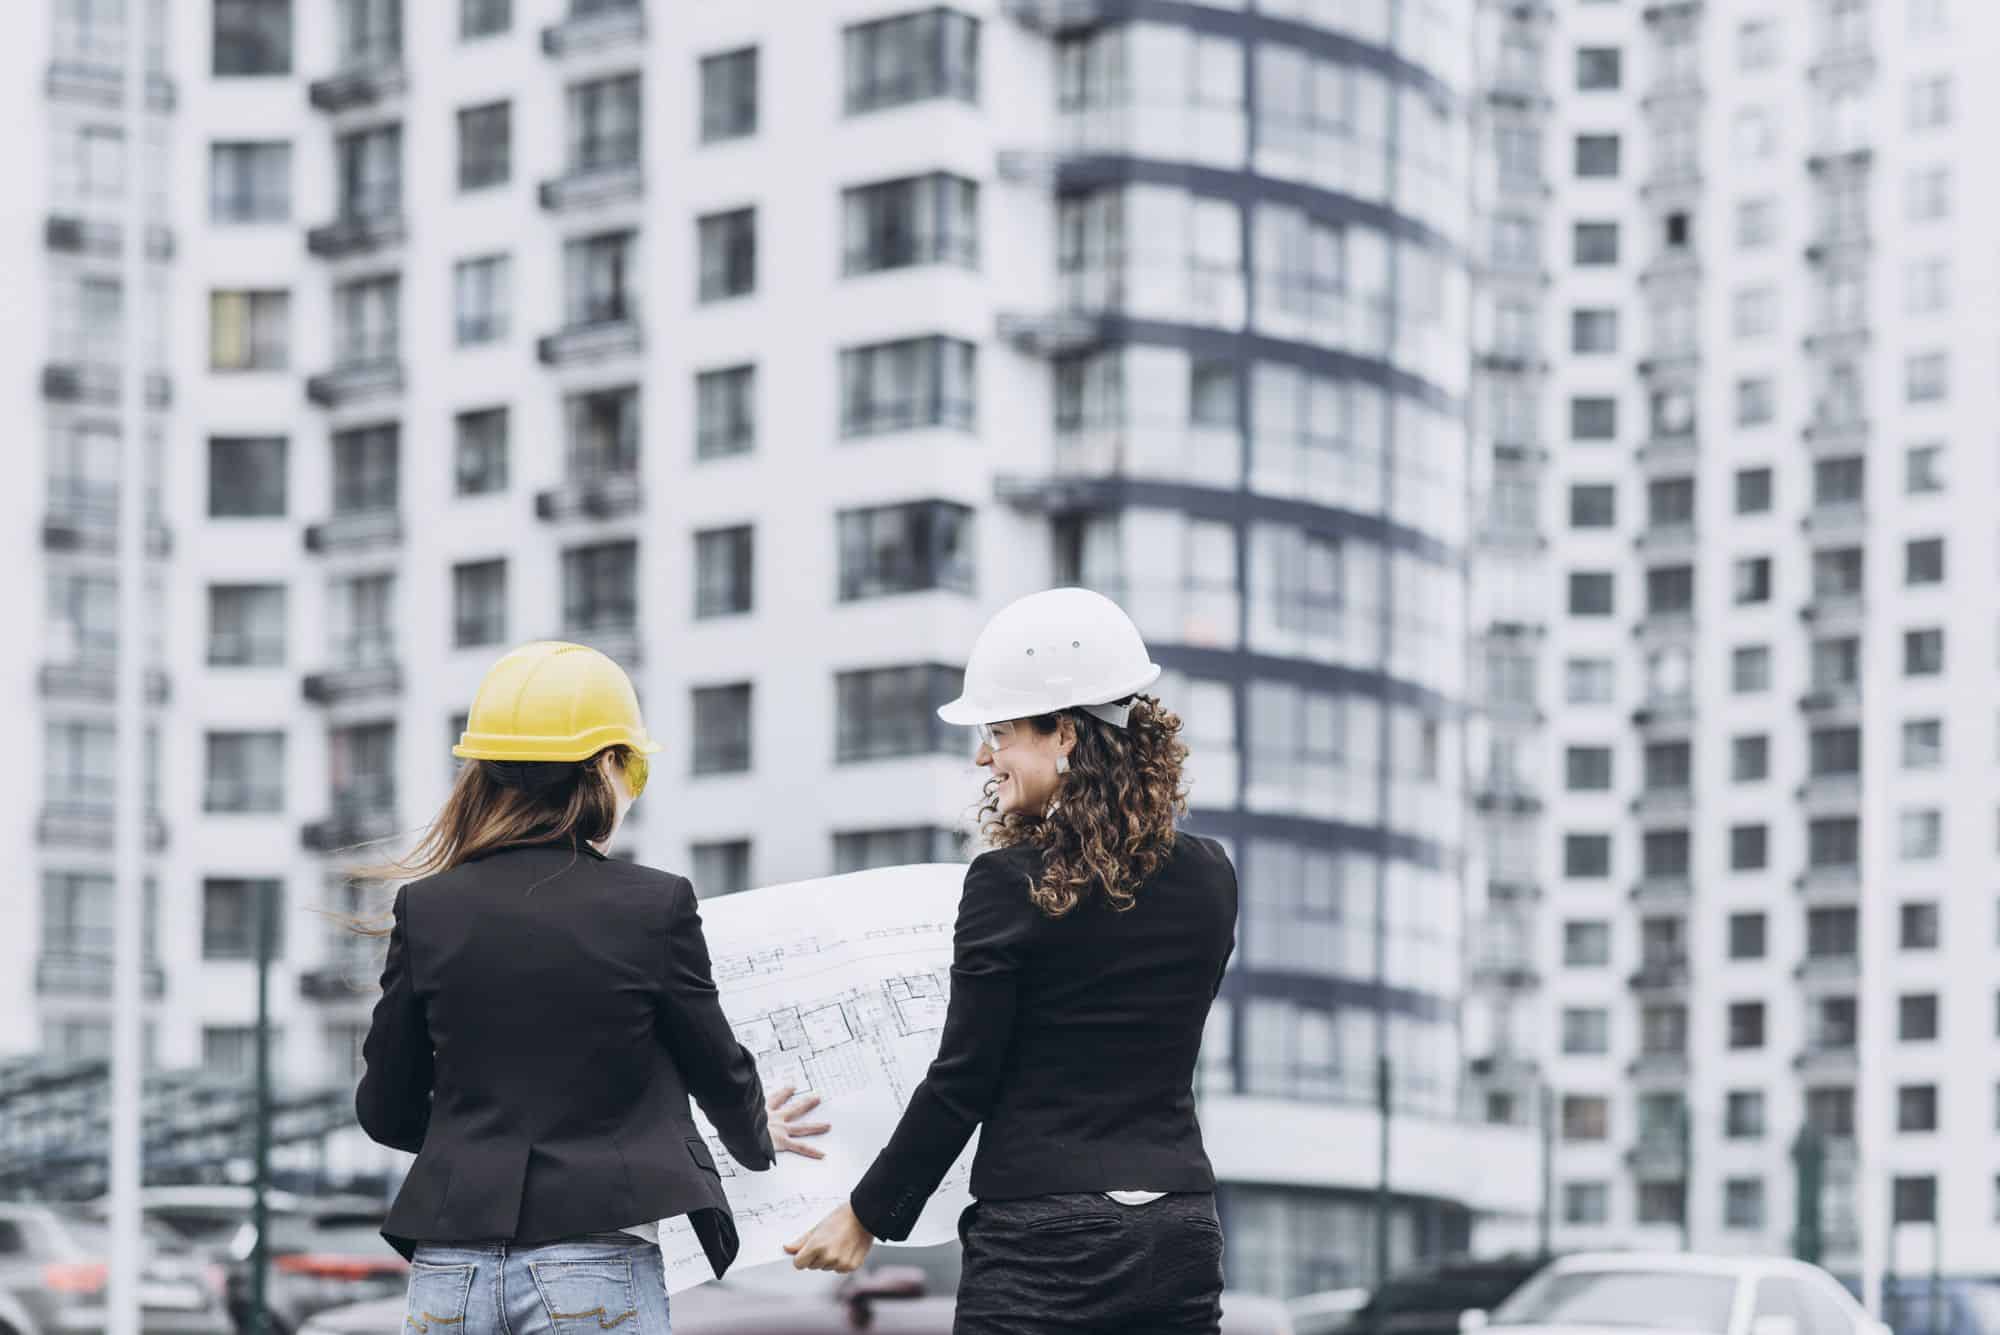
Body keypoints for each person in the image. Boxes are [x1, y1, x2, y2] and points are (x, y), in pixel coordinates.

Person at [784, 588, 1239, 1335]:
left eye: (998, 731)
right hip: (1178, 1231)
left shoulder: (1005, 884)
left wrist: (866, 1214)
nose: (984, 755)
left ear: (1064, 732)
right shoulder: (1213, 875)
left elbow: (963, 1081)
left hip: (1044, 1241)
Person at [352, 641, 827, 1335]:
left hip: (448, 1271)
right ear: (611, 763)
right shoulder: (652, 905)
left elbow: (385, 1109)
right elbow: (717, 1067)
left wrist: (479, 1143)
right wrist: (754, 1136)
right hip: (589, 1265)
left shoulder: (427, 908)